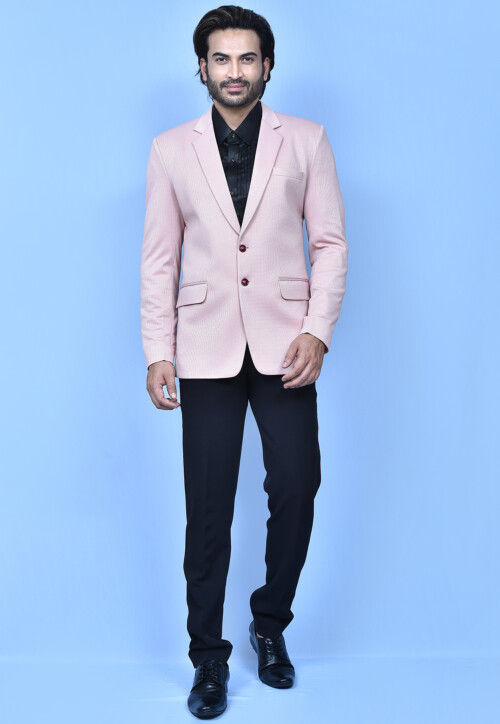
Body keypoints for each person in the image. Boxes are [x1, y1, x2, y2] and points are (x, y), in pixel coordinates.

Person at [140, 5, 348, 718]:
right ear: (202, 67)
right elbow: (159, 259)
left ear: (268, 66)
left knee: (296, 485)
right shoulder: (171, 149)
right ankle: (208, 658)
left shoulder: (307, 140)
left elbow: (330, 244)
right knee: (207, 508)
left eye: (247, 58)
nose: (235, 71)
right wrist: (158, 351)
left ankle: (269, 623)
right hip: (203, 347)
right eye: (222, 59)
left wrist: (317, 331)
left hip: (287, 342)